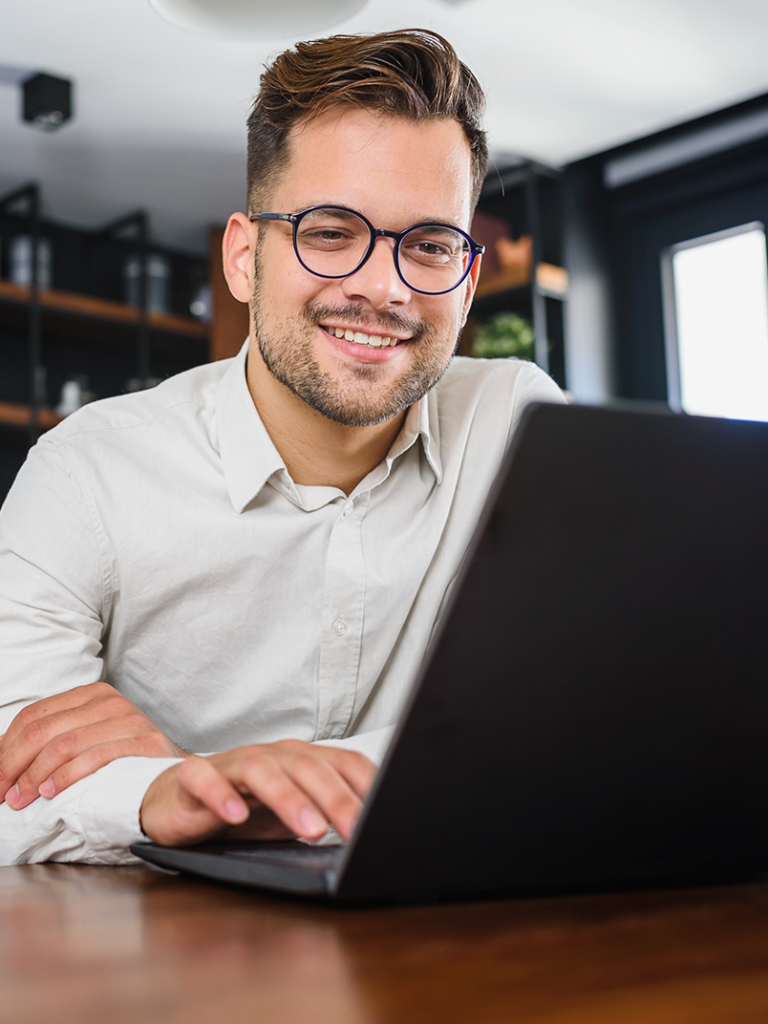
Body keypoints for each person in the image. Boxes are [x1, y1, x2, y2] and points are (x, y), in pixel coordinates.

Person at [0, 29, 563, 864]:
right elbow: (9, 773)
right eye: (330, 232)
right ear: (242, 257)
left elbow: (591, 712)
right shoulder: (86, 472)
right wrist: (160, 797)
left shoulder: (519, 424)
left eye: (432, 245)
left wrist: (203, 777)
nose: (386, 288)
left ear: (468, 279)